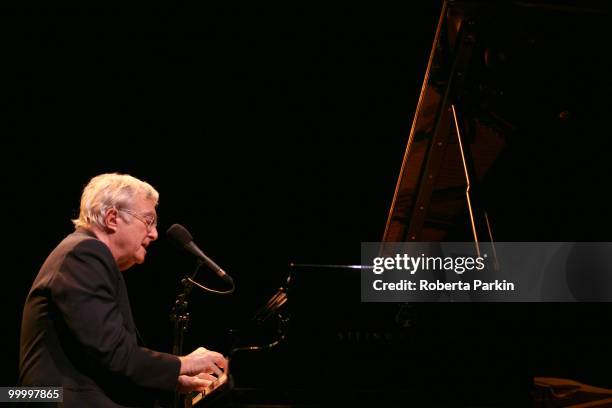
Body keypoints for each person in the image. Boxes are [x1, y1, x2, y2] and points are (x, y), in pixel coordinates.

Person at [19, 173, 227, 407]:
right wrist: (185, 363)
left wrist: (173, 379)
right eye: (148, 221)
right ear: (112, 218)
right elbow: (114, 355)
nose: (155, 234)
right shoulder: (85, 254)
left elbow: (102, 358)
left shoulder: (85, 255)